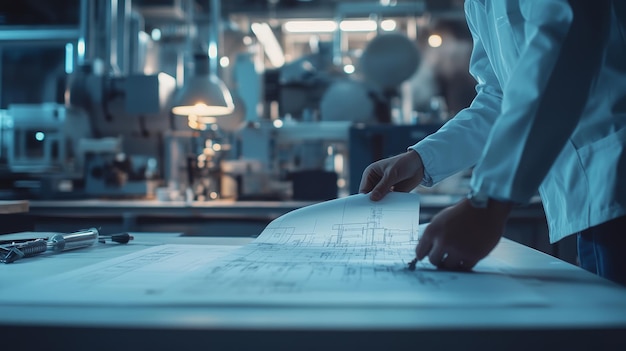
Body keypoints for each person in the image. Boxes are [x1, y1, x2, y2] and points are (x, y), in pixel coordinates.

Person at [359, 0, 626, 286]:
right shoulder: (478, 4)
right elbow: (499, 97)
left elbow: (564, 54)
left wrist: (487, 202)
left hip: (612, 174)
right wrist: (420, 159)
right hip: (590, 196)